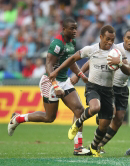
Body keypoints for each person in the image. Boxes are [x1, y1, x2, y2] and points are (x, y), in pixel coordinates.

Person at [8, 18, 90, 155]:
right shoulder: (57, 43)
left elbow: (71, 61)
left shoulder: (72, 41)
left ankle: (78, 147)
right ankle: (17, 118)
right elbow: (48, 65)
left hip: (64, 80)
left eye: (76, 28)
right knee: (49, 117)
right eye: (72, 28)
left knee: (79, 110)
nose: (75, 31)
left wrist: (81, 75)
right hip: (50, 81)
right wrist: (55, 85)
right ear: (64, 29)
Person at [49, 25, 130, 157]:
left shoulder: (118, 51)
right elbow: (72, 59)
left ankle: (93, 147)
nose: (110, 42)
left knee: (104, 125)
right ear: (101, 37)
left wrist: (120, 63)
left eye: (112, 39)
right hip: (93, 87)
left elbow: (129, 71)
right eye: (107, 39)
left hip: (108, 91)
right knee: (95, 107)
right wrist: (57, 71)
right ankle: (77, 123)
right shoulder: (91, 49)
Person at [70, 29, 130, 153]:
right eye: (128, 38)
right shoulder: (115, 48)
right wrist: (78, 75)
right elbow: (91, 61)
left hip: (123, 87)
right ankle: (99, 121)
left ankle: (98, 145)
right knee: (111, 113)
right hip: (108, 86)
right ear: (124, 38)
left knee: (119, 119)